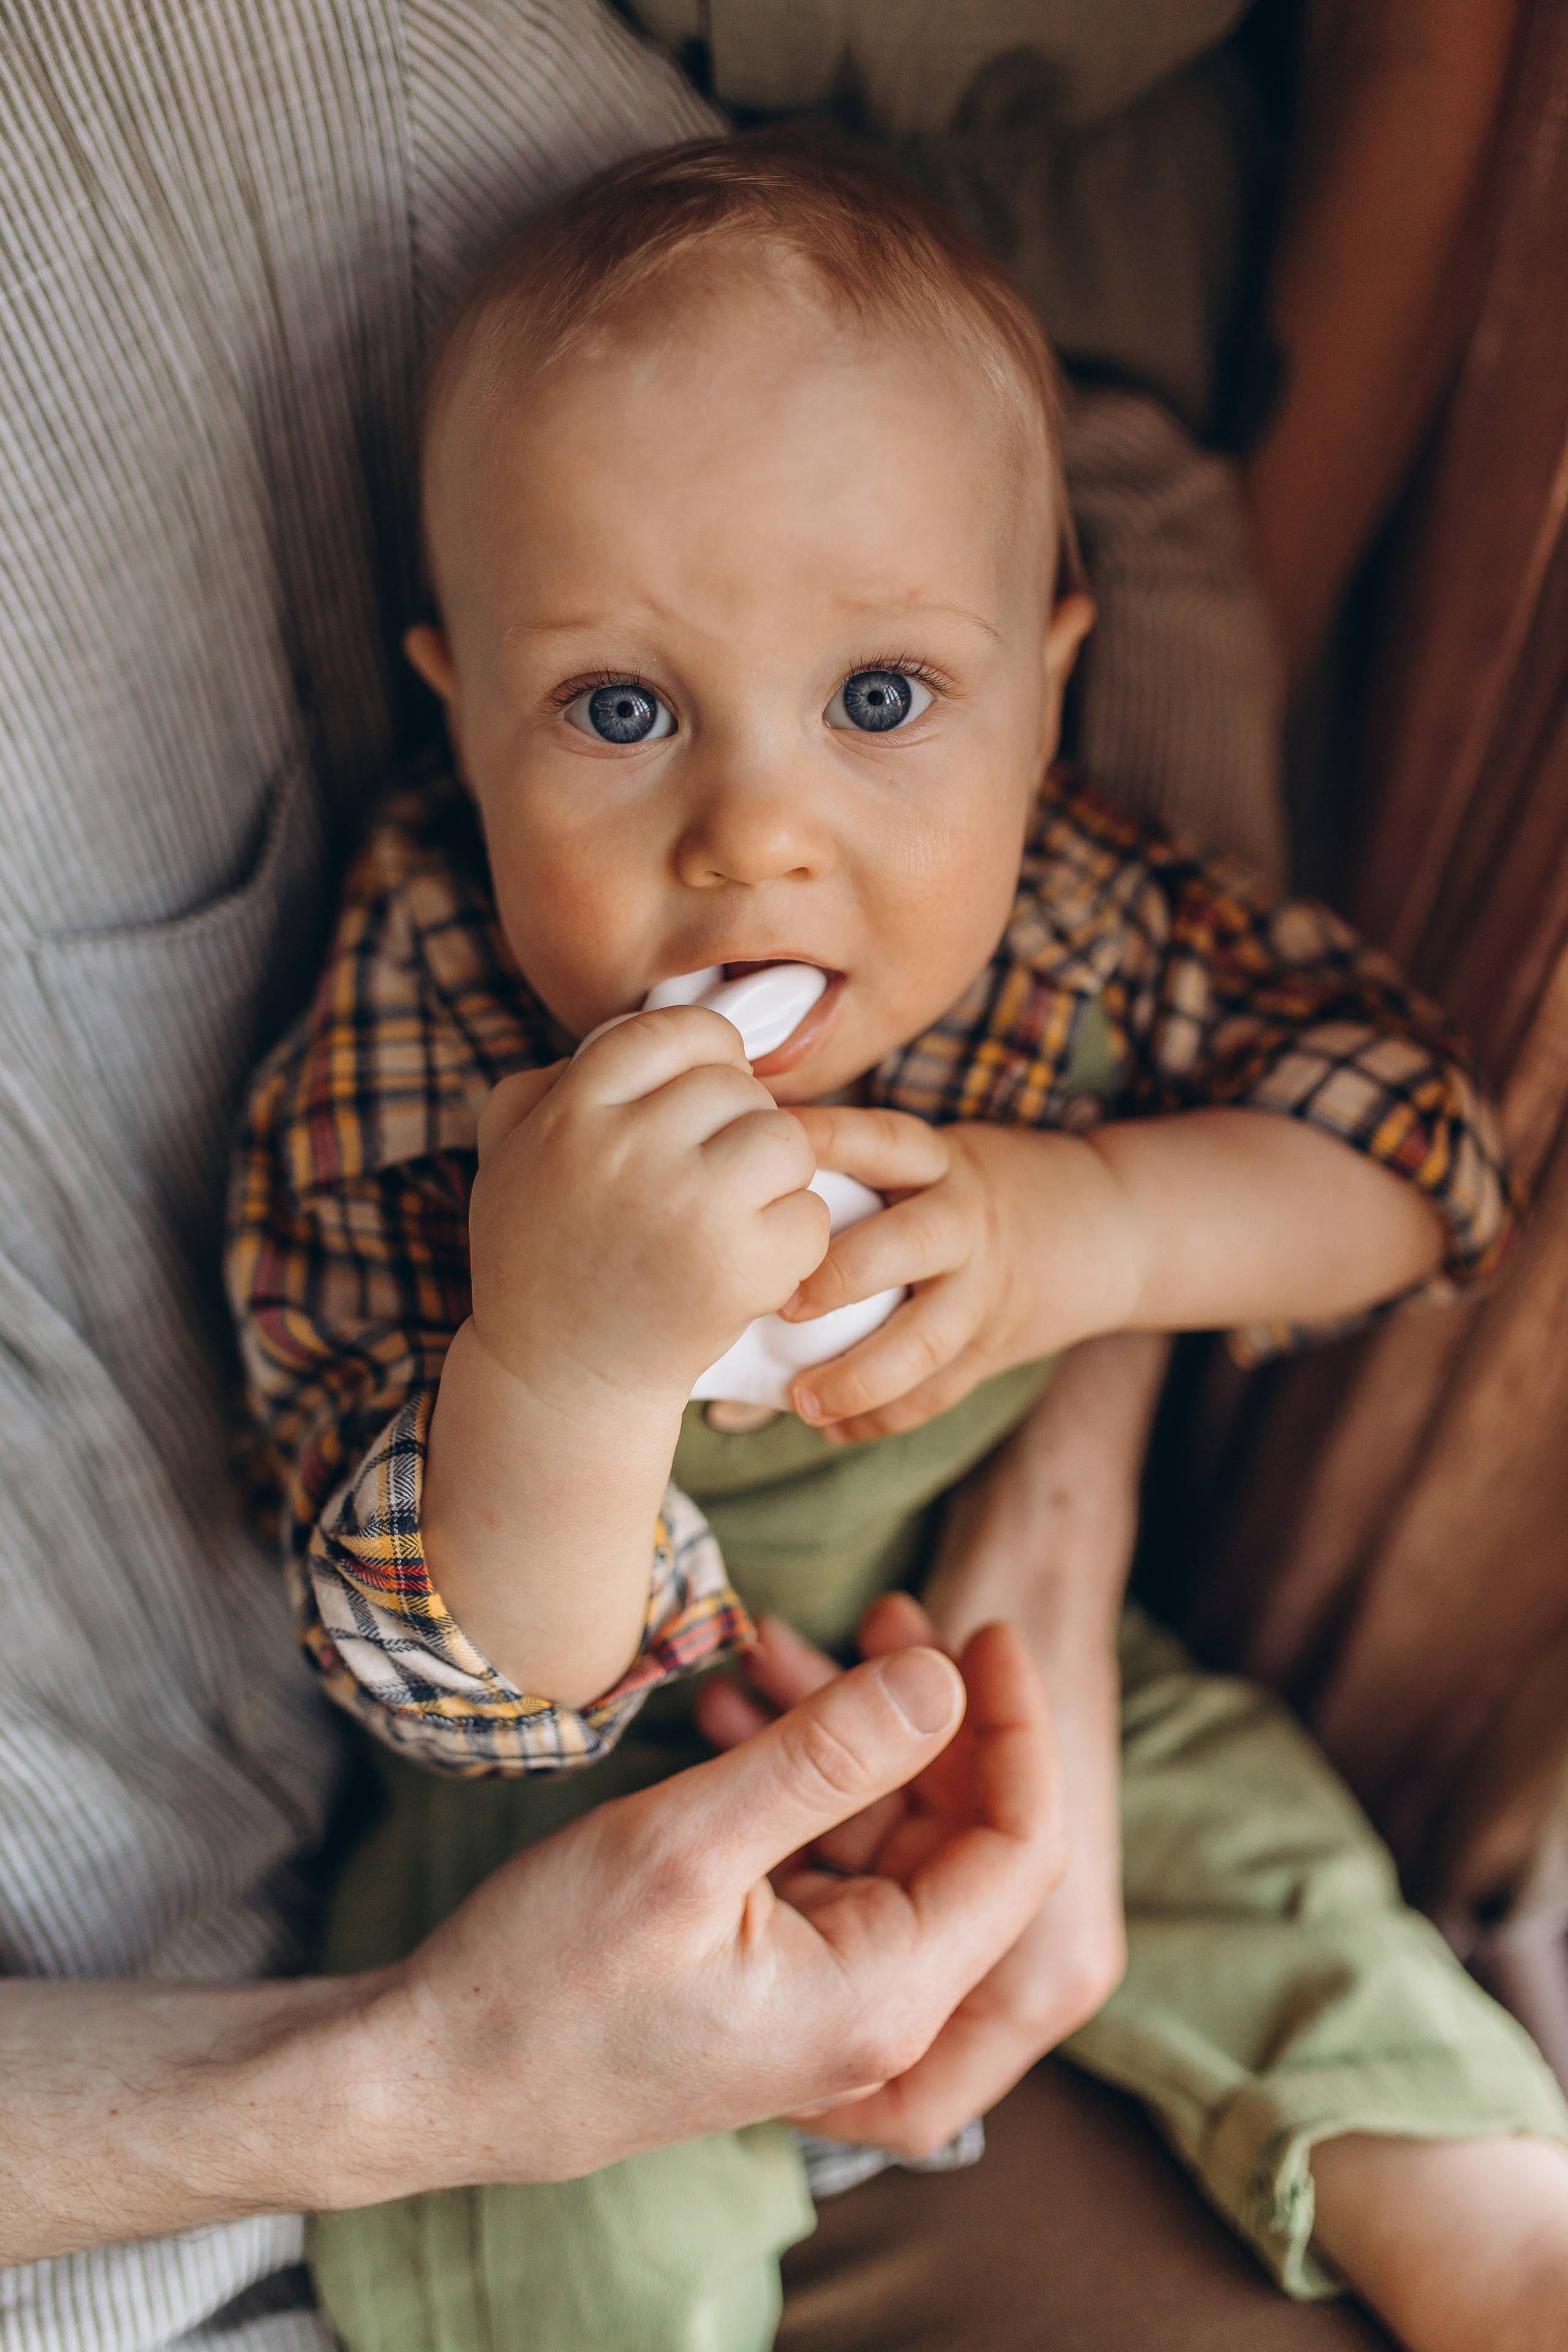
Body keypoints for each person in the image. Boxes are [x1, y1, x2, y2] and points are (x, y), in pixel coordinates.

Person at [227, 135, 1568, 2352]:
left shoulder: (1087, 922)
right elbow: (447, 1677)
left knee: (1303, 1912)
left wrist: (1093, 1225)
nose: (755, 838)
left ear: (1048, 687)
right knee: (548, 2225)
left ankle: (1501, 2243)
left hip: (1024, 1676)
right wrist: (559, 1361)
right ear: (464, 715)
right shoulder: (418, 1024)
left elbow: (1419, 1158)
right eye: (621, 710)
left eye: (879, 700)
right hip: (590, 1805)